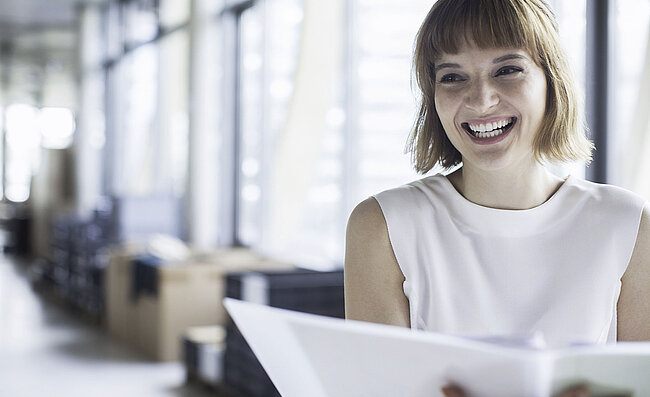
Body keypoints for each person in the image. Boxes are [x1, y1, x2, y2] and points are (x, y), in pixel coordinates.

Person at [344, 0, 650, 395]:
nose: (481, 99)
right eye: (452, 77)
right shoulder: (383, 224)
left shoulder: (627, 223)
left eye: (507, 70)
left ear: (551, 81)